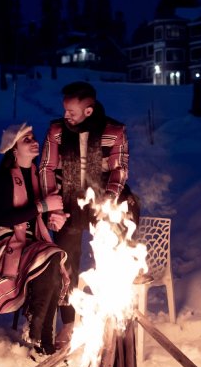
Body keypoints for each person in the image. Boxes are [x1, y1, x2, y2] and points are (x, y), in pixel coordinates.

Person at [0, 122, 69, 357]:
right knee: (51, 257)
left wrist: (52, 218)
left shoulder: (35, 175)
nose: (34, 141)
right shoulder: (4, 178)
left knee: (54, 260)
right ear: (13, 149)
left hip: (28, 242)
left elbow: (34, 218)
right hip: (2, 242)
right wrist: (42, 206)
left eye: (33, 137)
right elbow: (2, 218)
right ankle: (39, 337)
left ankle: (41, 336)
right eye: (27, 139)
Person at [39, 80, 135, 349]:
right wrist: (53, 207)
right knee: (66, 263)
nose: (66, 115)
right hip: (67, 202)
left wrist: (109, 203)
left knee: (110, 260)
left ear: (89, 111)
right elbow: (46, 168)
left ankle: (109, 319)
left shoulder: (114, 131)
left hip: (102, 201)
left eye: (72, 111)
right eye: (65, 109)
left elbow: (120, 170)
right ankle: (68, 323)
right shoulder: (57, 131)